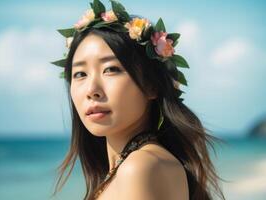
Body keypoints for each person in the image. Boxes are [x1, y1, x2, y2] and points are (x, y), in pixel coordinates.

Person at [52, 1, 225, 199]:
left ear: (152, 85)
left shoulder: (139, 167)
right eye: (80, 74)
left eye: (111, 69)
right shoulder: (147, 162)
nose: (92, 90)